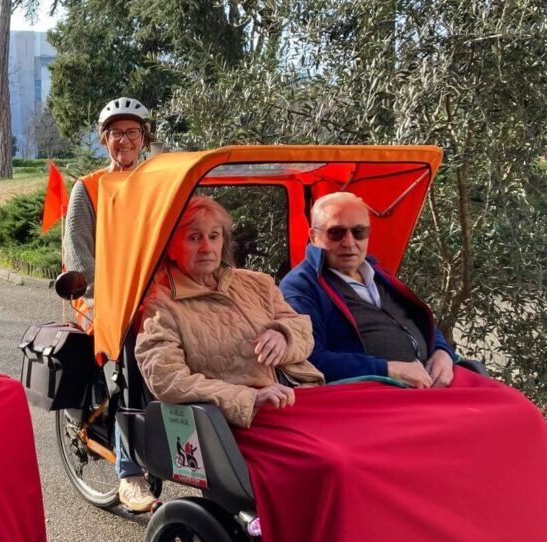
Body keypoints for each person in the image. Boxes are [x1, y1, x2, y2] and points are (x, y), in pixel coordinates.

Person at [134, 195, 325, 436]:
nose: (206, 247)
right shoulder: (161, 306)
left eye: (214, 236)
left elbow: (302, 328)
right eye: (194, 238)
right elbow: (168, 380)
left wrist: (283, 334)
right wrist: (249, 398)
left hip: (305, 395)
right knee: (338, 461)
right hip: (242, 422)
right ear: (171, 247)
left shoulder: (257, 283)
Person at [279, 192, 456, 388]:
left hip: (431, 379)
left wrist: (442, 352)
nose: (349, 242)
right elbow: (308, 359)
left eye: (359, 232)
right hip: (371, 394)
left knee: (494, 401)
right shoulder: (301, 286)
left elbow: (417, 320)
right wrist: (387, 369)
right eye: (336, 233)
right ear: (313, 236)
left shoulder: (378, 273)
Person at [62, 96, 152, 321]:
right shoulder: (88, 188)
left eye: (132, 132)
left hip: (151, 298)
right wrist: (109, 302)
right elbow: (78, 255)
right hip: (101, 303)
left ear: (143, 138)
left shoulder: (156, 184)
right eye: (116, 133)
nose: (125, 140)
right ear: (105, 139)